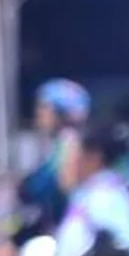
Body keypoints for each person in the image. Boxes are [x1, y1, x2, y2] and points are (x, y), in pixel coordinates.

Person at [48, 121, 129, 256]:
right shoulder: (87, 196)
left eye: (69, 157)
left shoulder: (105, 199)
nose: (62, 165)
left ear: (93, 158)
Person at [16, 78, 90, 229]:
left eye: (44, 107)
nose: (38, 113)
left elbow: (66, 187)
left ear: (62, 114)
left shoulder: (70, 142)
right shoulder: (56, 143)